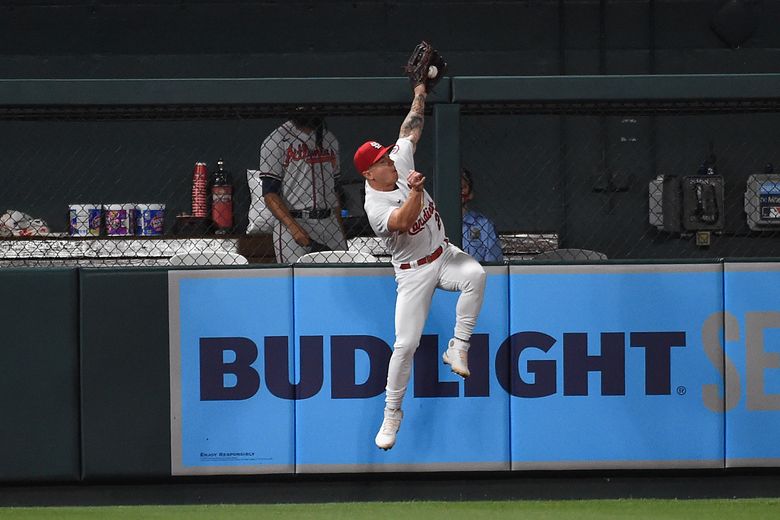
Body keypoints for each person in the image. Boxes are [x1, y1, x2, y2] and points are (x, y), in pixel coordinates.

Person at [354, 83, 487, 451]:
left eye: (386, 156)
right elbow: (401, 221)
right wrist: (414, 191)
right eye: (380, 162)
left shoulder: (398, 161)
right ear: (369, 175)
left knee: (476, 274)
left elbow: (410, 130)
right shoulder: (374, 206)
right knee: (406, 343)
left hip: (443, 255)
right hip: (412, 272)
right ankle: (392, 413)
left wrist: (421, 92)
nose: (388, 161)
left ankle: (458, 346)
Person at [256, 114, 347, 263]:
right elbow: (270, 194)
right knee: (299, 278)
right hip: (294, 221)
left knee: (341, 276)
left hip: (330, 221)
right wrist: (295, 229)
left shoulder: (329, 139)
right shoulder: (275, 141)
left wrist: (339, 230)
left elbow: (334, 189)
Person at [461, 168, 503, 263]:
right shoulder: (436, 224)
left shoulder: (484, 225)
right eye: (452, 187)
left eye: (462, 187)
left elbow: (494, 265)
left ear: (470, 193)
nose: (457, 192)